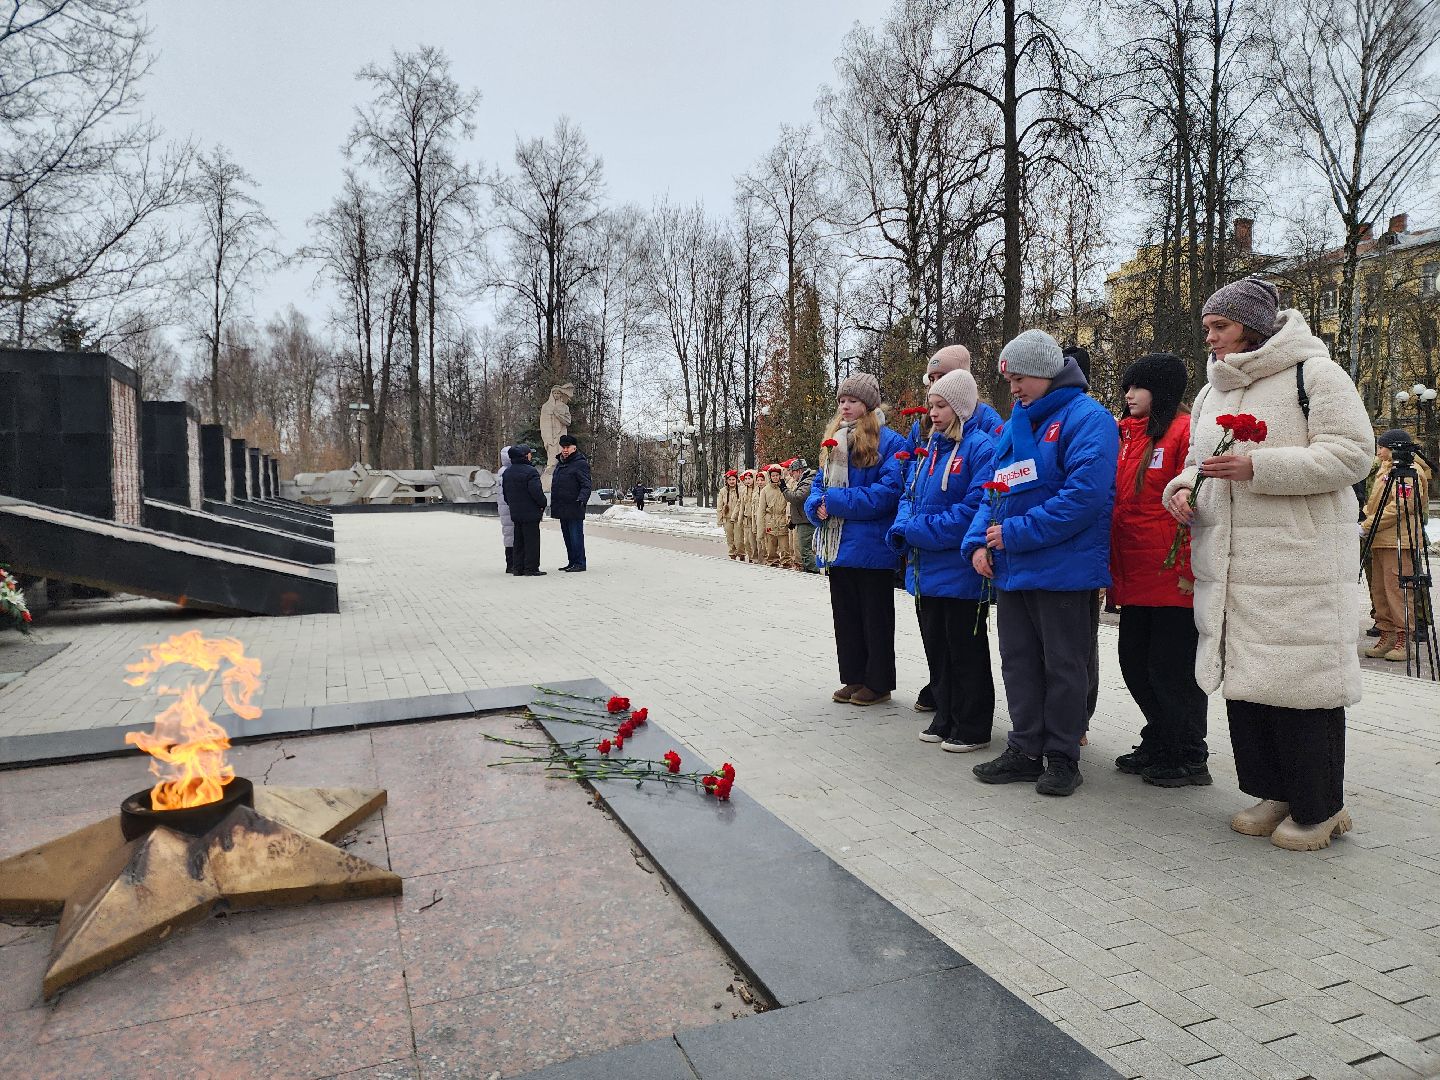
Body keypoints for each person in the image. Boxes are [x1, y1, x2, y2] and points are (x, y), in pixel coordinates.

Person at [1164, 276, 1374, 851]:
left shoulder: (1316, 374)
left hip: (1297, 564)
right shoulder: (1212, 391)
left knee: (1303, 687)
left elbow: (1353, 454)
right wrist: (1182, 491)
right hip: (1231, 567)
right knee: (1247, 686)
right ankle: (1274, 793)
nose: (1210, 338)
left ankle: (1320, 807)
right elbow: (1196, 463)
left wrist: (1260, 468)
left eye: (1220, 327)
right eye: (1207, 327)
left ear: (1253, 327)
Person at [962, 330, 1119, 797]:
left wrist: (1013, 534)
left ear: (1048, 372)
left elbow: (1084, 497)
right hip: (1014, 569)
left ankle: (1062, 757)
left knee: (1064, 667)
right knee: (1019, 663)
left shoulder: (1088, 418)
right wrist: (978, 543)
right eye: (1009, 380)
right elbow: (994, 492)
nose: (1013, 389)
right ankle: (1025, 749)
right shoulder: (1017, 423)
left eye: (1021, 378)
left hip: (1063, 571)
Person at [1109, 353, 1211, 787]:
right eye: (1127, 387)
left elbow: (1197, 503)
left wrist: (1189, 567)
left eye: (1138, 387)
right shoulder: (1125, 435)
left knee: (1171, 670)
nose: (1129, 395)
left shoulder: (1184, 431)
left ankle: (1188, 753)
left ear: (1162, 391)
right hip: (1135, 572)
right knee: (1135, 663)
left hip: (1172, 576)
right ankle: (1160, 736)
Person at [888, 369, 998, 752]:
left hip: (960, 571)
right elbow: (909, 495)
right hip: (927, 570)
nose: (933, 413)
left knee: (964, 648)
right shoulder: (931, 448)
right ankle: (946, 713)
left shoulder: (981, 448)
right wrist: (903, 526)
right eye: (931, 405)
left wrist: (915, 530)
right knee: (937, 647)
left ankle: (973, 723)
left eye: (941, 406)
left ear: (962, 407)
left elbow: (972, 510)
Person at [806, 373, 907, 706]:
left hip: (872, 547)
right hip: (839, 546)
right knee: (846, 618)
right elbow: (819, 484)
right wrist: (815, 505)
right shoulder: (835, 441)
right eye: (841, 400)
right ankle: (854, 677)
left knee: (875, 619)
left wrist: (833, 502)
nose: (844, 406)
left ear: (869, 404)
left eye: (852, 400)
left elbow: (886, 494)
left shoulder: (890, 442)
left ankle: (878, 683)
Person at [1361, 428, 1431, 662]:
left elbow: (1402, 505)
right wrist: (1365, 517)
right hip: (1381, 539)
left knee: (1398, 592)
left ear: (1394, 448)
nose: (1378, 451)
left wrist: (1368, 524)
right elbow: (1376, 503)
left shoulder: (1409, 471)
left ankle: (1403, 638)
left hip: (1398, 540)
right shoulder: (1385, 469)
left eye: (1382, 447)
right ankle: (1387, 635)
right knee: (1380, 591)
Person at [502, 445, 547, 576]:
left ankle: (518, 568)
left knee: (518, 541)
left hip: (516, 512)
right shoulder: (531, 471)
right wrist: (543, 503)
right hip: (531, 512)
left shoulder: (507, 472)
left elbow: (505, 495)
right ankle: (531, 568)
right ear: (525, 455)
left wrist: (513, 506)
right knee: (532, 541)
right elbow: (536, 492)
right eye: (529, 453)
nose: (531, 456)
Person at [550, 434, 591, 572]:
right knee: (567, 537)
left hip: (574, 506)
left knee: (575, 537)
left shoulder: (580, 463)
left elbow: (586, 485)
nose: (565, 450)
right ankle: (572, 562)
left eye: (567, 447)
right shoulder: (561, 463)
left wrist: (581, 499)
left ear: (574, 448)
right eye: (563, 447)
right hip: (562, 507)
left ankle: (580, 563)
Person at [785, 458, 818, 572]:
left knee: (806, 550)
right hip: (803, 520)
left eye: (793, 472)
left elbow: (797, 498)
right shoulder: (805, 480)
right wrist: (794, 520)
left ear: (799, 471)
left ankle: (814, 572)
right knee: (805, 549)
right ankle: (810, 570)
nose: (791, 475)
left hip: (806, 522)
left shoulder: (808, 481)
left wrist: (784, 489)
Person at [759, 464, 790, 566]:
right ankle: (772, 561)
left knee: (784, 546)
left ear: (780, 475)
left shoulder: (786, 488)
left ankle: (786, 562)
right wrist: (761, 527)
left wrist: (788, 517)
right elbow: (761, 509)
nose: (775, 477)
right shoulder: (765, 490)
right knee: (771, 546)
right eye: (773, 476)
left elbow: (789, 503)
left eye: (777, 475)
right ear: (770, 476)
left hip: (782, 519)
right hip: (770, 520)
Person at [717, 470, 743, 559]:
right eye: (730, 480)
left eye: (733, 479)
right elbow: (719, 507)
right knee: (730, 538)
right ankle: (732, 554)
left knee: (739, 538)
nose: (732, 481)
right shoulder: (723, 491)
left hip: (738, 519)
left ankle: (741, 554)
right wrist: (719, 520)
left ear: (736, 480)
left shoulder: (741, 490)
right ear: (727, 481)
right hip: (727, 518)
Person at [736, 471, 756, 562]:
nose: (747, 481)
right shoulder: (744, 491)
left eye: (749, 478)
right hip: (746, 519)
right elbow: (740, 505)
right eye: (746, 479)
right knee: (746, 541)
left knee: (753, 541)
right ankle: (750, 557)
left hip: (754, 519)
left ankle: (755, 557)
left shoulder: (757, 490)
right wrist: (737, 518)